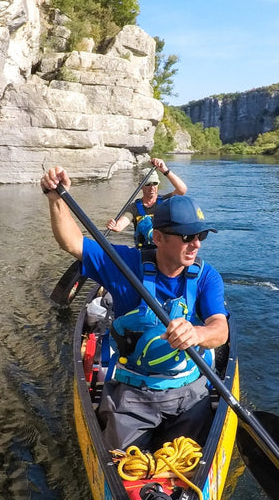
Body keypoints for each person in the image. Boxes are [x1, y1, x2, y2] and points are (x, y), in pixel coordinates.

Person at [41, 166, 228, 451]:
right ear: (158, 238)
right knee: (126, 466)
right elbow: (72, 243)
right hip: (133, 395)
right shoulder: (125, 264)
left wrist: (198, 334)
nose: (197, 244)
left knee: (185, 464)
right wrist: (56, 197)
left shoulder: (206, 275)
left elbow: (220, 329)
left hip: (191, 393)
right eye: (187, 237)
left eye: (201, 234)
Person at [106, 157, 187, 248]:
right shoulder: (134, 208)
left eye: (155, 183)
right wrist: (114, 225)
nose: (152, 187)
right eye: (148, 184)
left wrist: (165, 170)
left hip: (164, 251)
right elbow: (120, 226)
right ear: (140, 186)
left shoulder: (165, 201)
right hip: (144, 252)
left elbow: (182, 189)